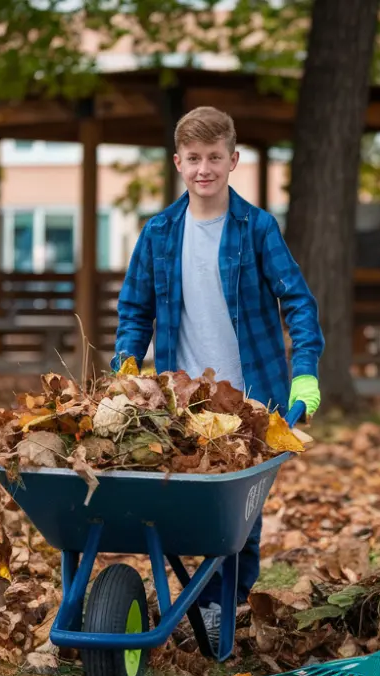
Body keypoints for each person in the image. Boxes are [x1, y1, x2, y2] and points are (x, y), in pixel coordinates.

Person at [112, 105, 325, 644]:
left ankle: (218, 604)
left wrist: (305, 375)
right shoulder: (160, 232)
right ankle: (200, 596)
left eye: (214, 157)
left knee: (240, 515)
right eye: (193, 158)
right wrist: (128, 372)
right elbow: (135, 311)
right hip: (182, 398)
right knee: (185, 506)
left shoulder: (256, 229)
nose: (203, 168)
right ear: (178, 162)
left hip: (251, 399)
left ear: (233, 160)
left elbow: (297, 303)